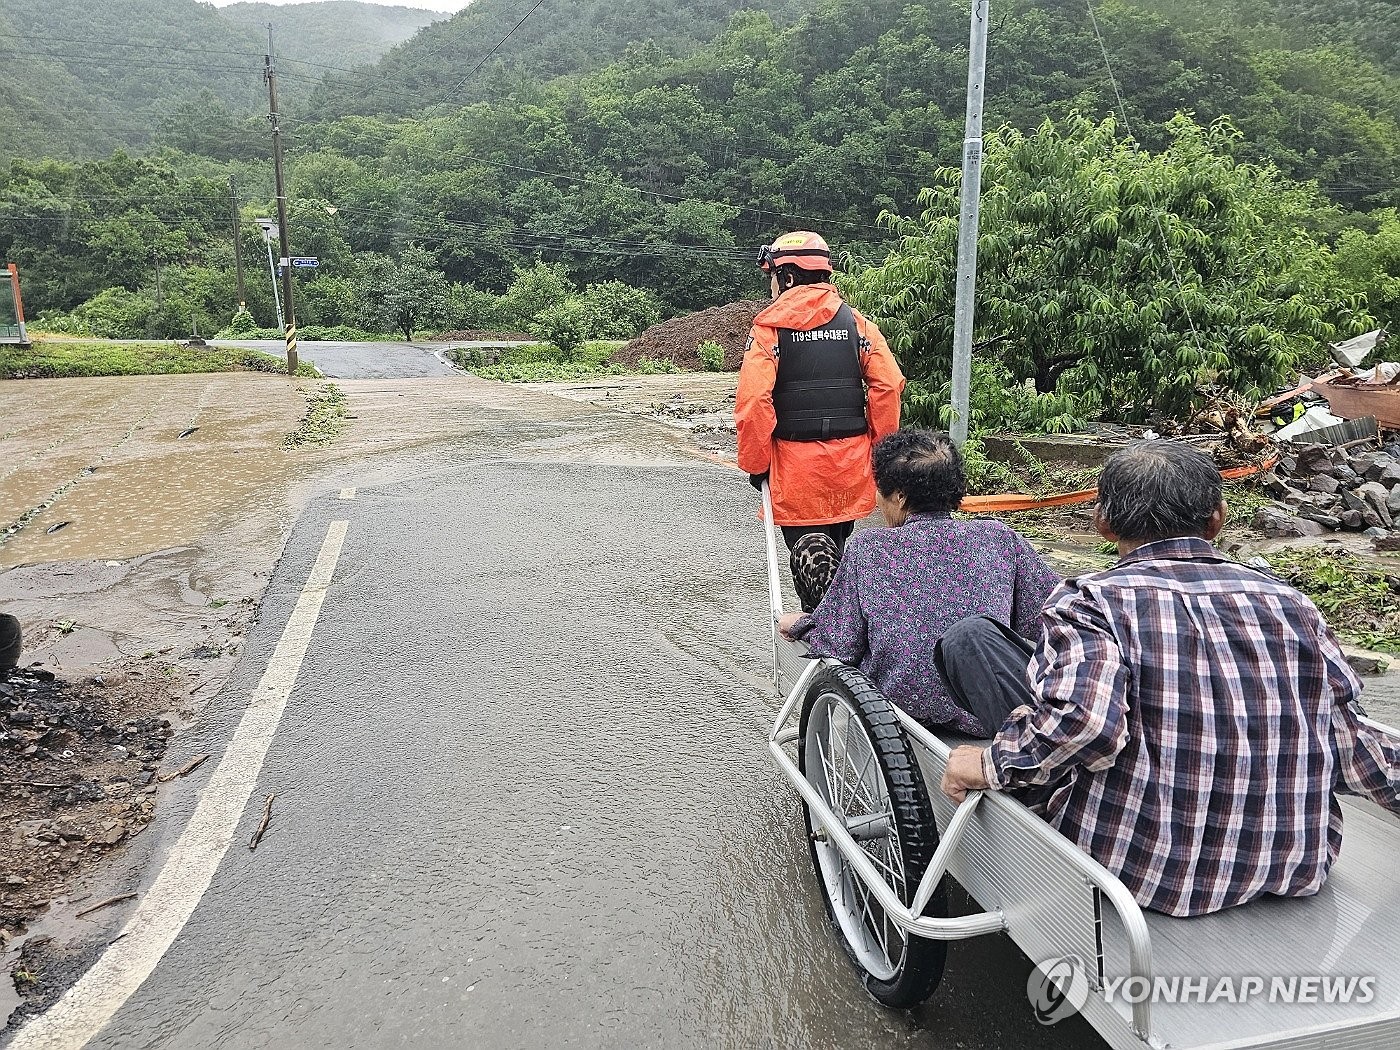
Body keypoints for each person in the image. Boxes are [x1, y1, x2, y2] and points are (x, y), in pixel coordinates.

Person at [938, 440, 1400, 918]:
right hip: (1290, 866)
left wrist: (990, 763)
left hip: (1136, 871)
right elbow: (1349, 737)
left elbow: (1088, 725)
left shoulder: (1091, 602)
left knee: (975, 641)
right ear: (1218, 518)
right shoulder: (1291, 605)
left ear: (1103, 522)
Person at [777, 429, 1058, 734]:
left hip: (895, 709)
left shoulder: (868, 548)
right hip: (985, 712)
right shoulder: (997, 537)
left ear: (898, 496)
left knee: (814, 552)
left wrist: (802, 625)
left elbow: (840, 644)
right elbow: (1050, 619)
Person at [735, 230, 904, 594]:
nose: (772, 289)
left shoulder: (769, 333)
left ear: (789, 277)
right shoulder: (859, 325)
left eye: (773, 279)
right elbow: (888, 386)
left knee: (809, 559)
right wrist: (880, 450)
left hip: (795, 472)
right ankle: (844, 619)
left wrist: (756, 462)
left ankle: (824, 628)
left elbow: (753, 405)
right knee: (837, 555)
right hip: (849, 467)